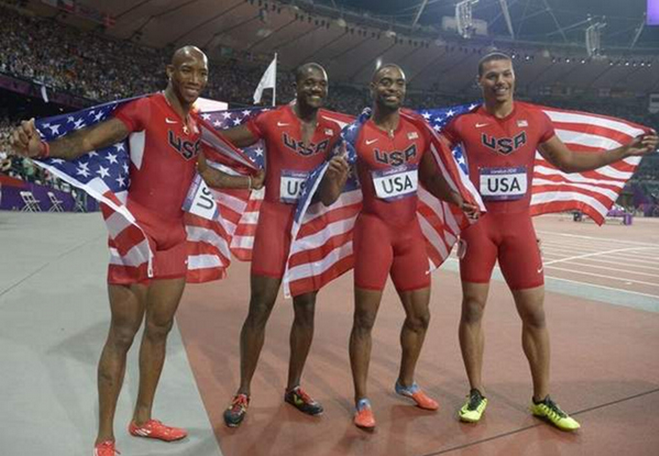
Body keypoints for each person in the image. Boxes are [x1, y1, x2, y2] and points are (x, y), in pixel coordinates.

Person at [10, 46, 264, 456]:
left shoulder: (193, 125)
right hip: (138, 235)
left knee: (159, 332)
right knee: (123, 335)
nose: (195, 79)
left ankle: (143, 419)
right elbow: (87, 140)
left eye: (201, 72)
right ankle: (105, 439)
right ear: (170, 71)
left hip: (174, 239)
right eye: (186, 70)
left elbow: (206, 173)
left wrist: (248, 183)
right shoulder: (146, 109)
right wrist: (42, 149)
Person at [440, 52, 658, 431]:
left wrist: (623, 151)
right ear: (480, 81)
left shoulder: (536, 119)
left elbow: (569, 161)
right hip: (480, 230)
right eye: (491, 76)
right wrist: (453, 196)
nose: (500, 81)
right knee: (472, 309)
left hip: (518, 230)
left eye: (506, 74)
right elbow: (431, 154)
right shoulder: (463, 123)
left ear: (514, 77)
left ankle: (542, 399)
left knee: (536, 315)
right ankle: (476, 392)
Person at [319, 64, 478, 430]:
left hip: (409, 237)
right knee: (364, 320)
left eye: (399, 83)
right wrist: (334, 178)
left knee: (421, 316)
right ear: (372, 86)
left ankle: (406, 381)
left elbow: (431, 176)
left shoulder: (416, 131)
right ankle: (361, 398)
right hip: (374, 233)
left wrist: (456, 198)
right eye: (386, 82)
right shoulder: (354, 135)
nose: (393, 88)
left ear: (405, 90)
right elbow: (328, 199)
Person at [218, 63, 344, 428]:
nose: (315, 88)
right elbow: (223, 140)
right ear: (296, 85)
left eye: (321, 84)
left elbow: (331, 196)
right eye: (309, 82)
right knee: (260, 307)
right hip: (274, 222)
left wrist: (336, 180)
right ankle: (243, 391)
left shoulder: (332, 132)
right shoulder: (272, 121)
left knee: (307, 310)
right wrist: (245, 174)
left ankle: (294, 387)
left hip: (308, 227)